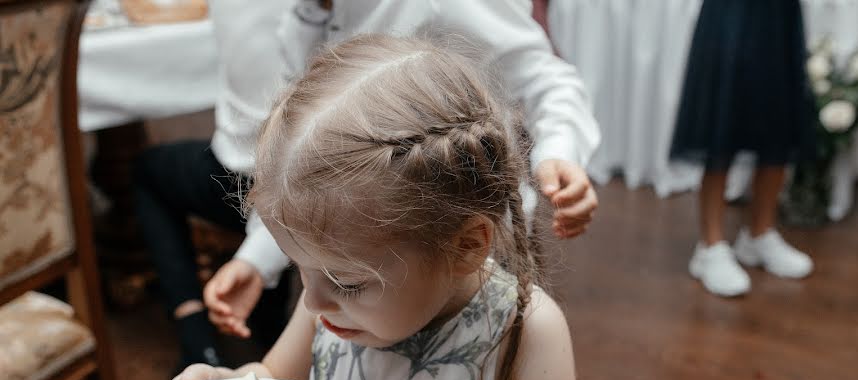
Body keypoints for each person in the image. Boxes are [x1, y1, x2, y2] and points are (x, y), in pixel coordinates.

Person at [165, 34, 606, 380]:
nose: (314, 301)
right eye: (301, 269)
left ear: (466, 245)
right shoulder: (328, 299)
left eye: (347, 281)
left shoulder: (521, 328)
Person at [203, 0, 601, 340]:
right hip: (360, 258)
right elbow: (308, 159)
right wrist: (258, 258)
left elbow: (545, 78)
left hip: (448, 242)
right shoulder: (309, 10)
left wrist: (558, 153)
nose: (312, 302)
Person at [133, 0, 294, 371]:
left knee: (149, 171)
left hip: (272, 185)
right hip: (281, 188)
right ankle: (258, 321)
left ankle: (195, 339)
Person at [670, 0, 815, 297]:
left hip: (780, 12)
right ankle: (710, 246)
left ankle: (760, 234)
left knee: (779, 111)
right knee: (723, 109)